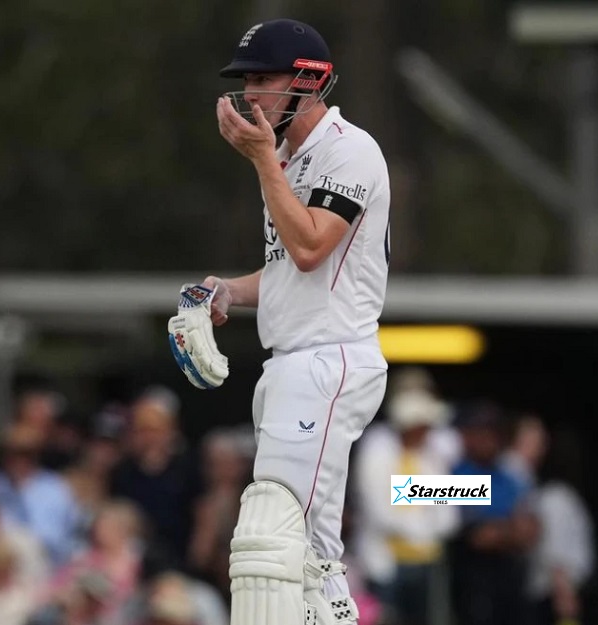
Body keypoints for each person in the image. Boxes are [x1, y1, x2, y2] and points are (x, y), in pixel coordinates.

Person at [167, 18, 391, 625]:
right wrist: (226, 291)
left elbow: (313, 246)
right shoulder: (290, 158)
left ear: (307, 81)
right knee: (311, 563)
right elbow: (290, 272)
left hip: (329, 356)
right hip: (291, 362)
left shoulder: (349, 149)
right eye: (246, 81)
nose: (250, 95)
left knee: (267, 541)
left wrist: (265, 161)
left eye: (262, 80)